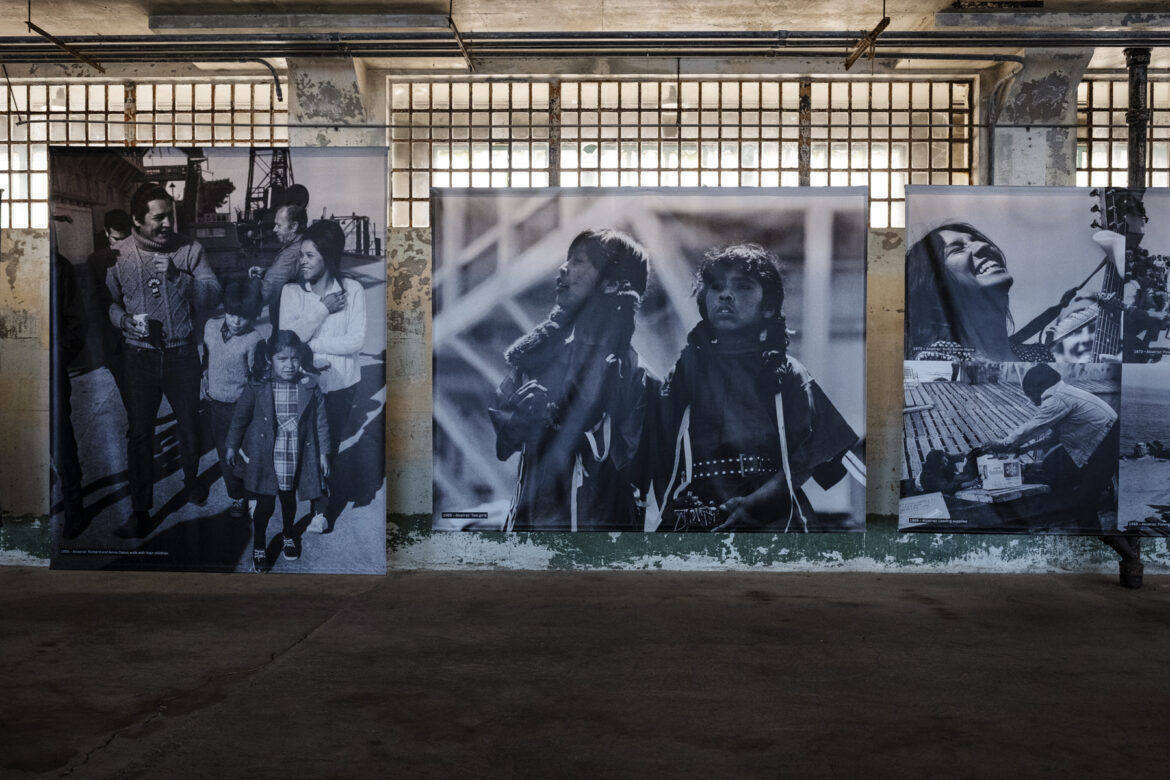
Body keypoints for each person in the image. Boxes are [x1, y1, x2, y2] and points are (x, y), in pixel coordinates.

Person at [648, 244, 860, 533]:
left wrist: (758, 503)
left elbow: (809, 457)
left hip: (772, 521)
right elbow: (656, 453)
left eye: (743, 287)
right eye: (715, 286)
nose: (725, 294)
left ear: (769, 306)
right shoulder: (684, 374)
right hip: (695, 518)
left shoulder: (789, 374)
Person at [489, 229, 659, 532]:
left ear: (611, 284)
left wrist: (557, 417)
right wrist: (526, 419)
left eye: (579, 261)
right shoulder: (537, 360)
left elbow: (632, 466)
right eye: (567, 259)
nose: (563, 268)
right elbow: (505, 444)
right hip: (529, 544)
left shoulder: (638, 379)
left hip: (601, 553)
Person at [106, 184, 222, 538]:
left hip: (181, 354)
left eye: (170, 215)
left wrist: (178, 277)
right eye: (159, 217)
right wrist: (124, 321)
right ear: (137, 220)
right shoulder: (117, 256)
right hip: (138, 358)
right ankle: (141, 511)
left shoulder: (190, 250)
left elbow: (213, 297)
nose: (168, 223)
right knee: (139, 435)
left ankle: (192, 482)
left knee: (189, 426)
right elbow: (109, 304)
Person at [279, 220, 366, 533]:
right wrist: (322, 309)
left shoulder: (353, 290)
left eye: (309, 255)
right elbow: (286, 338)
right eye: (301, 255)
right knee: (307, 445)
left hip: (342, 385)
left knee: (329, 447)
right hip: (304, 383)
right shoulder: (291, 293)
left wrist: (312, 347)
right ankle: (309, 503)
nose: (302, 261)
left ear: (327, 257)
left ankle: (321, 508)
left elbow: (356, 341)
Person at [226, 331, 330, 571]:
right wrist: (231, 444)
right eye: (282, 359)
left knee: (288, 500)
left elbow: (321, 422)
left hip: (295, 453)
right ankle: (260, 544)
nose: (290, 365)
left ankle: (288, 534)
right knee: (265, 504)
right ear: (269, 358)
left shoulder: (309, 386)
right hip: (266, 455)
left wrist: (324, 452)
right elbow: (240, 417)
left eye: (294, 358)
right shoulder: (259, 385)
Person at [983, 363, 1119, 530]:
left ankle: (1095, 544)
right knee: (1052, 466)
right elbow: (1055, 437)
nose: (1033, 401)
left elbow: (1033, 426)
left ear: (1035, 389)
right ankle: (1080, 490)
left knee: (1084, 505)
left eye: (1030, 395)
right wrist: (1026, 449)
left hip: (1105, 443)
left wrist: (1004, 443)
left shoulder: (1056, 399)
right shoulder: (1065, 392)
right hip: (1097, 439)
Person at [906, 223, 1056, 362]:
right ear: (937, 285)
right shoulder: (938, 361)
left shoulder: (1039, 355)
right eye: (957, 249)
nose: (983, 245)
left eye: (976, 240)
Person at [203, 279, 267, 520]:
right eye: (232, 314)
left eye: (243, 316)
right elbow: (206, 356)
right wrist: (205, 379)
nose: (236, 321)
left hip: (243, 409)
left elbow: (258, 378)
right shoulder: (210, 327)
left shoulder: (254, 340)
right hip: (216, 405)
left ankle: (253, 494)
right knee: (224, 454)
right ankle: (238, 496)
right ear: (224, 310)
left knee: (247, 453)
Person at [87, 209, 134, 405]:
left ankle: (140, 425)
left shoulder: (139, 256)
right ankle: (136, 423)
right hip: (112, 337)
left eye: (125, 239)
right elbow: (93, 303)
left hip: (138, 336)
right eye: (116, 239)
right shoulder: (96, 261)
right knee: (124, 385)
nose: (121, 245)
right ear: (106, 232)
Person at [250, 203, 307, 326]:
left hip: (287, 324)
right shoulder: (301, 245)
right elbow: (289, 274)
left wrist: (237, 302)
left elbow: (266, 291)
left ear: (294, 226)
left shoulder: (291, 254)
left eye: (278, 225)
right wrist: (266, 272)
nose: (275, 229)